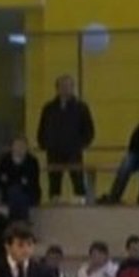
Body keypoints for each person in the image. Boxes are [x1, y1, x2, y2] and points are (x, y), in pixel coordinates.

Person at [37, 74, 95, 203]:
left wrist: (81, 144)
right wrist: (44, 143)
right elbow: (42, 127)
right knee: (54, 181)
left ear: (73, 88)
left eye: (68, 86)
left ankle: (82, 204)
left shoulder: (81, 107)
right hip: (54, 150)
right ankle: (54, 203)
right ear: (57, 88)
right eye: (62, 86)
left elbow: (89, 130)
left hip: (73, 151)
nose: (65, 89)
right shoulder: (49, 108)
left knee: (78, 180)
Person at [0, 136, 41, 222]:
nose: (20, 148)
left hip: (29, 193)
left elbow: (33, 180)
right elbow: (0, 179)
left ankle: (13, 222)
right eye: (17, 145)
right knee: (15, 191)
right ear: (12, 147)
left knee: (17, 193)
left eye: (23, 146)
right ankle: (24, 221)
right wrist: (20, 181)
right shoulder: (4, 160)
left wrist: (12, 180)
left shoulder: (32, 161)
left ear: (27, 147)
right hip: (9, 193)